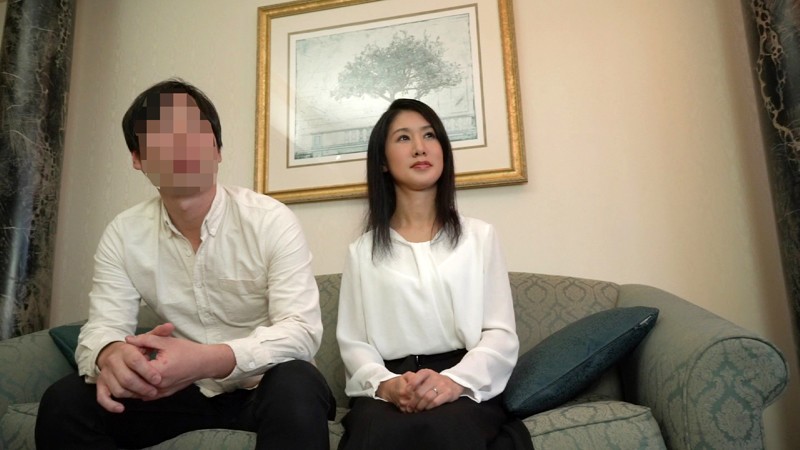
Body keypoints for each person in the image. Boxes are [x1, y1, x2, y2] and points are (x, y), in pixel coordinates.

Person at [35, 79, 335, 450]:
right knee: (65, 402)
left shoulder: (269, 219)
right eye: (161, 133)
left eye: (193, 129)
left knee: (297, 381)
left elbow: (301, 332)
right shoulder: (124, 233)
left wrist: (206, 359)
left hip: (265, 388)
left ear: (217, 149)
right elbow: (103, 326)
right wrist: (110, 353)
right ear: (138, 158)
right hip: (179, 392)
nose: (179, 143)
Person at [335, 98, 532, 450]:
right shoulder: (361, 251)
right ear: (382, 161)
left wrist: (454, 382)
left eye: (429, 135)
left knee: (448, 427)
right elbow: (354, 344)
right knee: (377, 431)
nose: (420, 147)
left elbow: (500, 334)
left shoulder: (480, 237)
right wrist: (386, 385)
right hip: (391, 385)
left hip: (464, 381)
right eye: (403, 138)